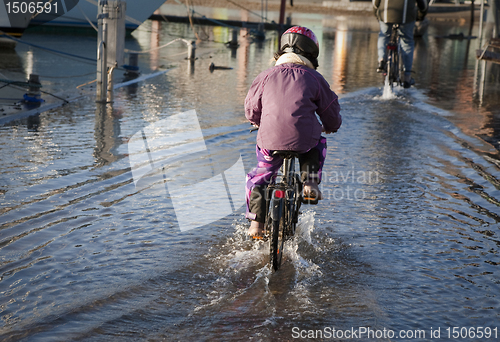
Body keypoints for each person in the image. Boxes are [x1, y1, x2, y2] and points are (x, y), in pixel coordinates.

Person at [244, 26, 342, 239]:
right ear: (312, 54)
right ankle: (310, 182)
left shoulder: (265, 75)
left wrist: (256, 121)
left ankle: (256, 225)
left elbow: (251, 108)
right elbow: (331, 111)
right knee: (316, 144)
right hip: (304, 140)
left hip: (269, 140)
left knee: (261, 176)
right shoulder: (315, 78)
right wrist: (332, 126)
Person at [373, 0, 428, 88]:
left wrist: (376, 12)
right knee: (407, 41)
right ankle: (407, 77)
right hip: (406, 14)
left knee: (384, 35)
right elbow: (422, 4)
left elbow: (375, 2)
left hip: (386, 12)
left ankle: (382, 60)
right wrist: (421, 14)